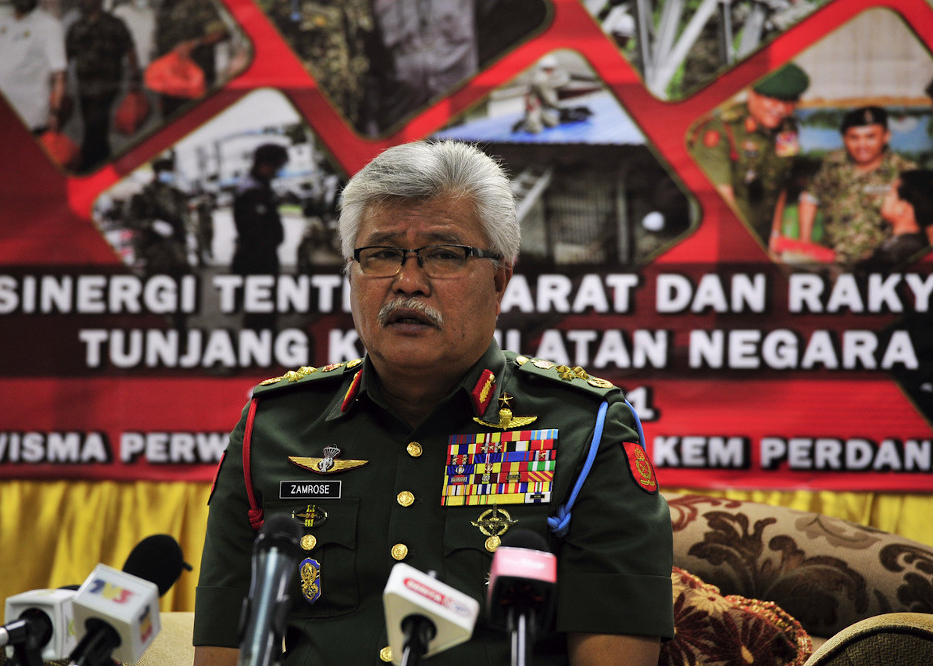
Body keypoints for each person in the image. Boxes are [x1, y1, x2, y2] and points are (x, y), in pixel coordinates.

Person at [193, 140, 674, 665]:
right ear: (351, 274)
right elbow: (225, 648)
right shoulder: (277, 426)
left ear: (500, 279)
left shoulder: (584, 430)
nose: (408, 282)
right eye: (380, 254)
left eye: (445, 254)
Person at [689, 62, 809, 247]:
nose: (780, 108)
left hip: (761, 236)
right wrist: (742, 244)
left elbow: (780, 183)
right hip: (725, 238)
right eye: (772, 98)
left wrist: (775, 235)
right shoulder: (722, 129)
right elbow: (721, 199)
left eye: (788, 101)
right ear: (752, 94)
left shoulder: (788, 130)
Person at [796, 106, 917, 265]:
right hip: (833, 260)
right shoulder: (833, 163)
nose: (862, 145)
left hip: (883, 264)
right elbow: (810, 197)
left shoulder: (903, 171)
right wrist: (805, 242)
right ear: (844, 139)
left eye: (870, 136)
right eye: (854, 137)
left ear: (886, 136)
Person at [65, 0, 141, 172]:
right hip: (84, 87)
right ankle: (103, 161)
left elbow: (130, 50)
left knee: (95, 124)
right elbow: (67, 55)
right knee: (92, 125)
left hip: (108, 86)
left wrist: (135, 76)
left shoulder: (115, 24)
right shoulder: (76, 27)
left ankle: (89, 164)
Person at [229, 143, 289, 332]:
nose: (276, 172)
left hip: (260, 258)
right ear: (264, 165)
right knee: (260, 311)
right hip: (257, 261)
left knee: (262, 309)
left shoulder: (258, 186)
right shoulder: (252, 191)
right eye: (275, 167)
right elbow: (255, 233)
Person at [0, 0, 67, 134]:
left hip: (31, 118)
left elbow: (59, 76)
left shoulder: (49, 25)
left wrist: (55, 113)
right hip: (0, 114)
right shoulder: (4, 23)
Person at [153, 0, 229, 118]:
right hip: (170, 82)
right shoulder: (165, 6)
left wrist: (194, 44)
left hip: (196, 80)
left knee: (199, 122)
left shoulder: (200, 4)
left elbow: (221, 33)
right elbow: (160, 45)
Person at [857, 169, 933, 271]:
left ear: (903, 207)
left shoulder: (905, 250)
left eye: (890, 194)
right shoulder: (902, 244)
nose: (884, 199)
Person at [520, 54, 571, 134]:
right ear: (551, 68)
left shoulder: (543, 76)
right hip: (534, 106)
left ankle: (537, 118)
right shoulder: (541, 80)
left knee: (553, 123)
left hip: (541, 106)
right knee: (535, 129)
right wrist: (559, 108)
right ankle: (528, 121)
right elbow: (548, 99)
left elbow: (551, 85)